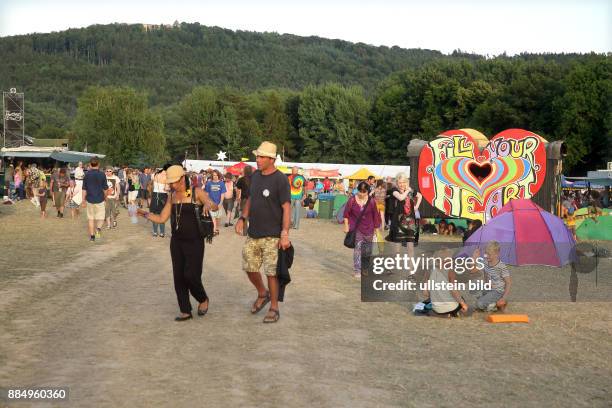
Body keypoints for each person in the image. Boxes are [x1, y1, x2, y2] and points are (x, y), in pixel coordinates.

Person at [138, 165, 218, 321]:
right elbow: (162, 218)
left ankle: (203, 299)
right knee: (179, 276)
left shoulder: (196, 192)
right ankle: (185, 309)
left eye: (173, 182)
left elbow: (212, 204)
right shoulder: (172, 196)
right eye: (170, 182)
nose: (171, 185)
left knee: (192, 275)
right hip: (176, 241)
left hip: (195, 241)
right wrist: (145, 214)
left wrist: (208, 204)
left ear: (182, 178)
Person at [235, 141, 291, 324]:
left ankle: (274, 307)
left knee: (271, 273)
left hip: (272, 235)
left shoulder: (281, 179)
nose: (257, 160)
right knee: (249, 266)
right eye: (257, 156)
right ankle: (262, 293)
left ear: (271, 159)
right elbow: (250, 199)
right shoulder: (256, 176)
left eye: (260, 157)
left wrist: (284, 233)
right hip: (254, 233)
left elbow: (286, 208)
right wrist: (243, 218)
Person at [344, 181, 381, 278]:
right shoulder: (352, 200)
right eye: (360, 191)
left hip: (369, 228)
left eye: (364, 192)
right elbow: (346, 214)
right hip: (357, 228)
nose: (361, 194)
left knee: (367, 251)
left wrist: (377, 231)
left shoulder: (372, 201)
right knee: (358, 249)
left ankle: (365, 268)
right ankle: (357, 270)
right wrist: (346, 225)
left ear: (367, 192)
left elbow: (375, 216)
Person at [422, 249, 469, 317]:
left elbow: (425, 293)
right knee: (461, 298)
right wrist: (463, 304)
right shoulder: (450, 272)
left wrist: (435, 295)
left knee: (428, 301)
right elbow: (454, 291)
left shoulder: (429, 271)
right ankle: (453, 312)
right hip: (450, 307)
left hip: (436, 309)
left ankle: (439, 311)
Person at [471, 241, 511, 311]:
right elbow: (472, 271)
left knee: (479, 304)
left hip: (497, 292)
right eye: (485, 254)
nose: (486, 256)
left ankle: (499, 303)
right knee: (473, 288)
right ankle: (489, 303)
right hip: (488, 288)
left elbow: (508, 283)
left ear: (496, 254)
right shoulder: (485, 262)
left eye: (489, 254)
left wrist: (504, 298)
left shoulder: (502, 267)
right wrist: (474, 258)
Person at [386, 173, 417, 256]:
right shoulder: (394, 191)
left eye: (403, 182)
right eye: (400, 182)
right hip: (398, 222)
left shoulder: (410, 192)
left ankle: (411, 268)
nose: (402, 184)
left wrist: (416, 206)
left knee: (410, 248)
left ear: (406, 182)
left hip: (410, 222)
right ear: (397, 183)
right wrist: (408, 190)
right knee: (397, 250)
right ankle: (396, 267)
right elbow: (401, 197)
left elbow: (420, 196)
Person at [82, 157, 108, 242]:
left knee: (91, 219)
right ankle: (98, 229)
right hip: (100, 199)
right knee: (101, 218)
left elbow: (84, 189)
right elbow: (105, 189)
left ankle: (92, 237)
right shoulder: (102, 174)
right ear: (98, 164)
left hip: (89, 200)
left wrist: (83, 200)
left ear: (90, 164)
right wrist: (106, 197)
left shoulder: (86, 175)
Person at [204, 170, 226, 235]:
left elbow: (222, 194)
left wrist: (220, 203)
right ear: (212, 176)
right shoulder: (209, 183)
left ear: (218, 176)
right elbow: (207, 193)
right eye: (214, 175)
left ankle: (216, 228)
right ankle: (213, 230)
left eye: (216, 175)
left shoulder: (221, 183)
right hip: (211, 204)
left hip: (219, 203)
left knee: (218, 218)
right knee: (212, 217)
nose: (215, 177)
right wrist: (206, 202)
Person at [150, 166, 169, 237]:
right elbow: (166, 188)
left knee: (154, 214)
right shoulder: (166, 177)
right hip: (163, 196)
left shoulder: (155, 175)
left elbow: (152, 183)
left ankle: (155, 232)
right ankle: (162, 232)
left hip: (155, 196)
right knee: (162, 215)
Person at [235, 165, 252, 232]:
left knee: (244, 215)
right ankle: (252, 230)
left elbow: (238, 190)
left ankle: (245, 231)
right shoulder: (255, 179)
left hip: (244, 199)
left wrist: (237, 198)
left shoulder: (241, 179)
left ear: (244, 171)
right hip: (253, 200)